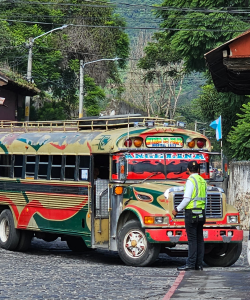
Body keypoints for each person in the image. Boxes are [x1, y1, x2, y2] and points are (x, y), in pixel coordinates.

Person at [172, 161, 207, 271]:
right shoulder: (202, 181)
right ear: (198, 170)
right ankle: (199, 264)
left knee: (192, 239)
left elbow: (187, 198)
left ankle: (191, 264)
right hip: (201, 212)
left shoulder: (190, 181)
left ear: (187, 170)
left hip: (191, 213)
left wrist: (177, 209)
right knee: (199, 239)